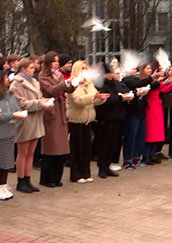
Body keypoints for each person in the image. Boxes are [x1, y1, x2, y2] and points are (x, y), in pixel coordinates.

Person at [9, 58, 51, 192]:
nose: (34, 70)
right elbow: (21, 103)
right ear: (23, 69)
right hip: (25, 119)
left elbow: (38, 98)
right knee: (23, 152)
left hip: (36, 118)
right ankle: (20, 180)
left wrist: (46, 101)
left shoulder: (35, 82)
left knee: (31, 152)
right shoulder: (16, 84)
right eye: (31, 68)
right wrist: (39, 104)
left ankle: (28, 178)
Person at [66, 61, 108, 183]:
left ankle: (86, 172)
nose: (85, 70)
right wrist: (94, 97)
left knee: (86, 148)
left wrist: (101, 99)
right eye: (82, 68)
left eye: (86, 68)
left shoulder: (89, 83)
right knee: (76, 147)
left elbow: (94, 98)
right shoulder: (72, 83)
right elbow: (78, 101)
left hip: (88, 119)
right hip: (76, 119)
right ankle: (76, 174)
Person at [37, 52, 74, 187]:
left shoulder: (58, 74)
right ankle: (46, 178)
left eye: (57, 61)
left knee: (61, 147)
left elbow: (68, 90)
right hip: (51, 110)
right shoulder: (43, 76)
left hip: (60, 110)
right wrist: (65, 83)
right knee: (50, 146)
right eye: (53, 61)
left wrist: (73, 83)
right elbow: (51, 90)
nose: (56, 64)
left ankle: (57, 177)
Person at [0, 70, 22, 199]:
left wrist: (20, 114)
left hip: (9, 131)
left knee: (7, 161)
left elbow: (16, 107)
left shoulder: (11, 94)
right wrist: (12, 115)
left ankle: (4, 185)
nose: (8, 79)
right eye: (6, 77)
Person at [94, 63, 131, 178]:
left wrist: (126, 96)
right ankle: (102, 168)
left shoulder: (115, 83)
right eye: (108, 73)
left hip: (116, 117)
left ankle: (108, 166)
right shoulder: (99, 85)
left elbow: (121, 91)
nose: (110, 75)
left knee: (113, 144)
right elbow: (106, 99)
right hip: (105, 118)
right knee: (104, 144)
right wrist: (120, 98)